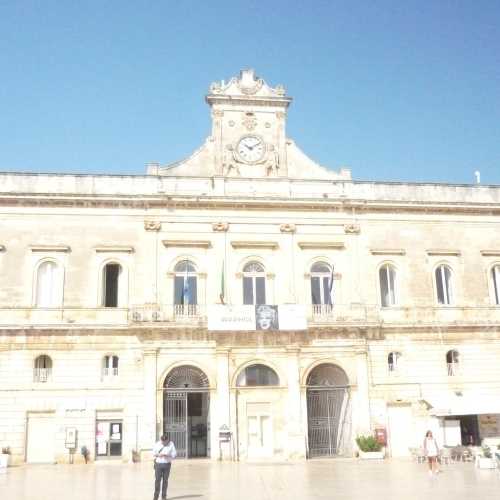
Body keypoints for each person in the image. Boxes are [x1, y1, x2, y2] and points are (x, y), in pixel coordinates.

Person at [153, 435, 177, 500]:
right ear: (161, 440)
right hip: (158, 464)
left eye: (165, 442)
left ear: (167, 440)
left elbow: (174, 454)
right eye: (163, 442)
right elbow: (153, 453)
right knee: (157, 480)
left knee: (165, 481)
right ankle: (155, 497)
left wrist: (168, 455)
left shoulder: (171, 444)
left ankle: (164, 496)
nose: (164, 443)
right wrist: (158, 455)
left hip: (167, 465)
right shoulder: (157, 444)